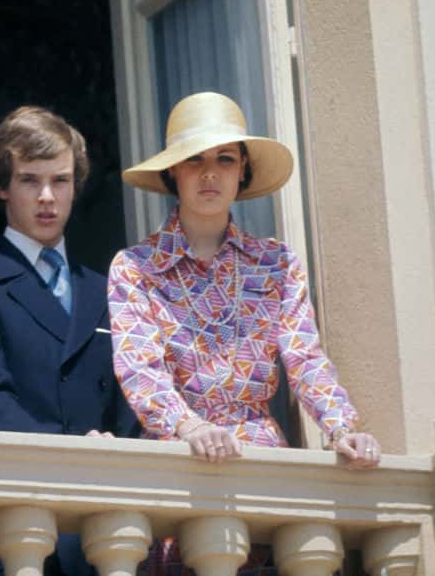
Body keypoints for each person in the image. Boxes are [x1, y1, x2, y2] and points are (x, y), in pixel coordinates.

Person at [108, 91, 380, 574]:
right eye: (194, 160)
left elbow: (305, 358)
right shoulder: (135, 268)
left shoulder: (275, 263)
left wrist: (343, 428)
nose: (210, 173)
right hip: (177, 461)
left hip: (262, 466)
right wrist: (189, 427)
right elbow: (140, 370)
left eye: (225, 159)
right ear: (173, 172)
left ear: (243, 172)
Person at [0, 105, 138, 575]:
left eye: (60, 181)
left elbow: (130, 402)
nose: (46, 197)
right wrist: (76, 454)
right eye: (29, 180)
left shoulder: (104, 287)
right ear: (1, 186)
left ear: (76, 187)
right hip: (18, 525)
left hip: (103, 527)